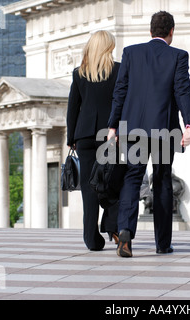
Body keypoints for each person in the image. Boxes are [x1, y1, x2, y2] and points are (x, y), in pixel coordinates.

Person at [107, 11, 190, 257]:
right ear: (171, 32)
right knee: (163, 180)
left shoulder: (131, 53)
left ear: (150, 31)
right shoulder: (178, 56)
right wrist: (189, 124)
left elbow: (120, 91)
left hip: (133, 128)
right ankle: (162, 243)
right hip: (164, 129)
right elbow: (182, 91)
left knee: (133, 177)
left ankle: (125, 231)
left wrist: (112, 126)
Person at [66, 30, 120, 251]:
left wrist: (71, 138)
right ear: (109, 47)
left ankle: (91, 238)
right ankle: (112, 226)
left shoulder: (79, 73)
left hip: (85, 135)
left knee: (89, 186)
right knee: (111, 183)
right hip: (109, 134)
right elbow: (121, 102)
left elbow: (72, 108)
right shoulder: (118, 70)